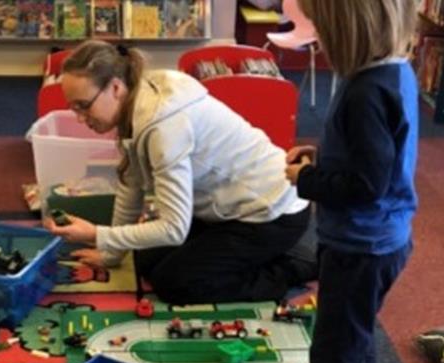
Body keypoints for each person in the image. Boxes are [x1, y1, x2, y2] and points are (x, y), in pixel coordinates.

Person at [47, 40, 316, 305]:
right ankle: (257, 254)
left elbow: (174, 229)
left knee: (176, 283)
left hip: (272, 213)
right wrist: (111, 254)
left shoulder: (163, 128)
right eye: (74, 108)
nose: (81, 118)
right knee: (146, 257)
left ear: (115, 88)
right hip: (229, 206)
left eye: (84, 105)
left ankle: (297, 266)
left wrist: (96, 234)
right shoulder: (138, 98)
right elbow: (132, 185)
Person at [284, 1, 418, 363]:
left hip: (360, 246)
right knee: (354, 340)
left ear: (350, 30)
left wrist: (306, 179)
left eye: (322, 28)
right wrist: (322, 160)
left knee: (334, 351)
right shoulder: (393, 71)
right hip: (381, 239)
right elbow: (373, 156)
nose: (317, 39)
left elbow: (363, 186)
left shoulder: (365, 91)